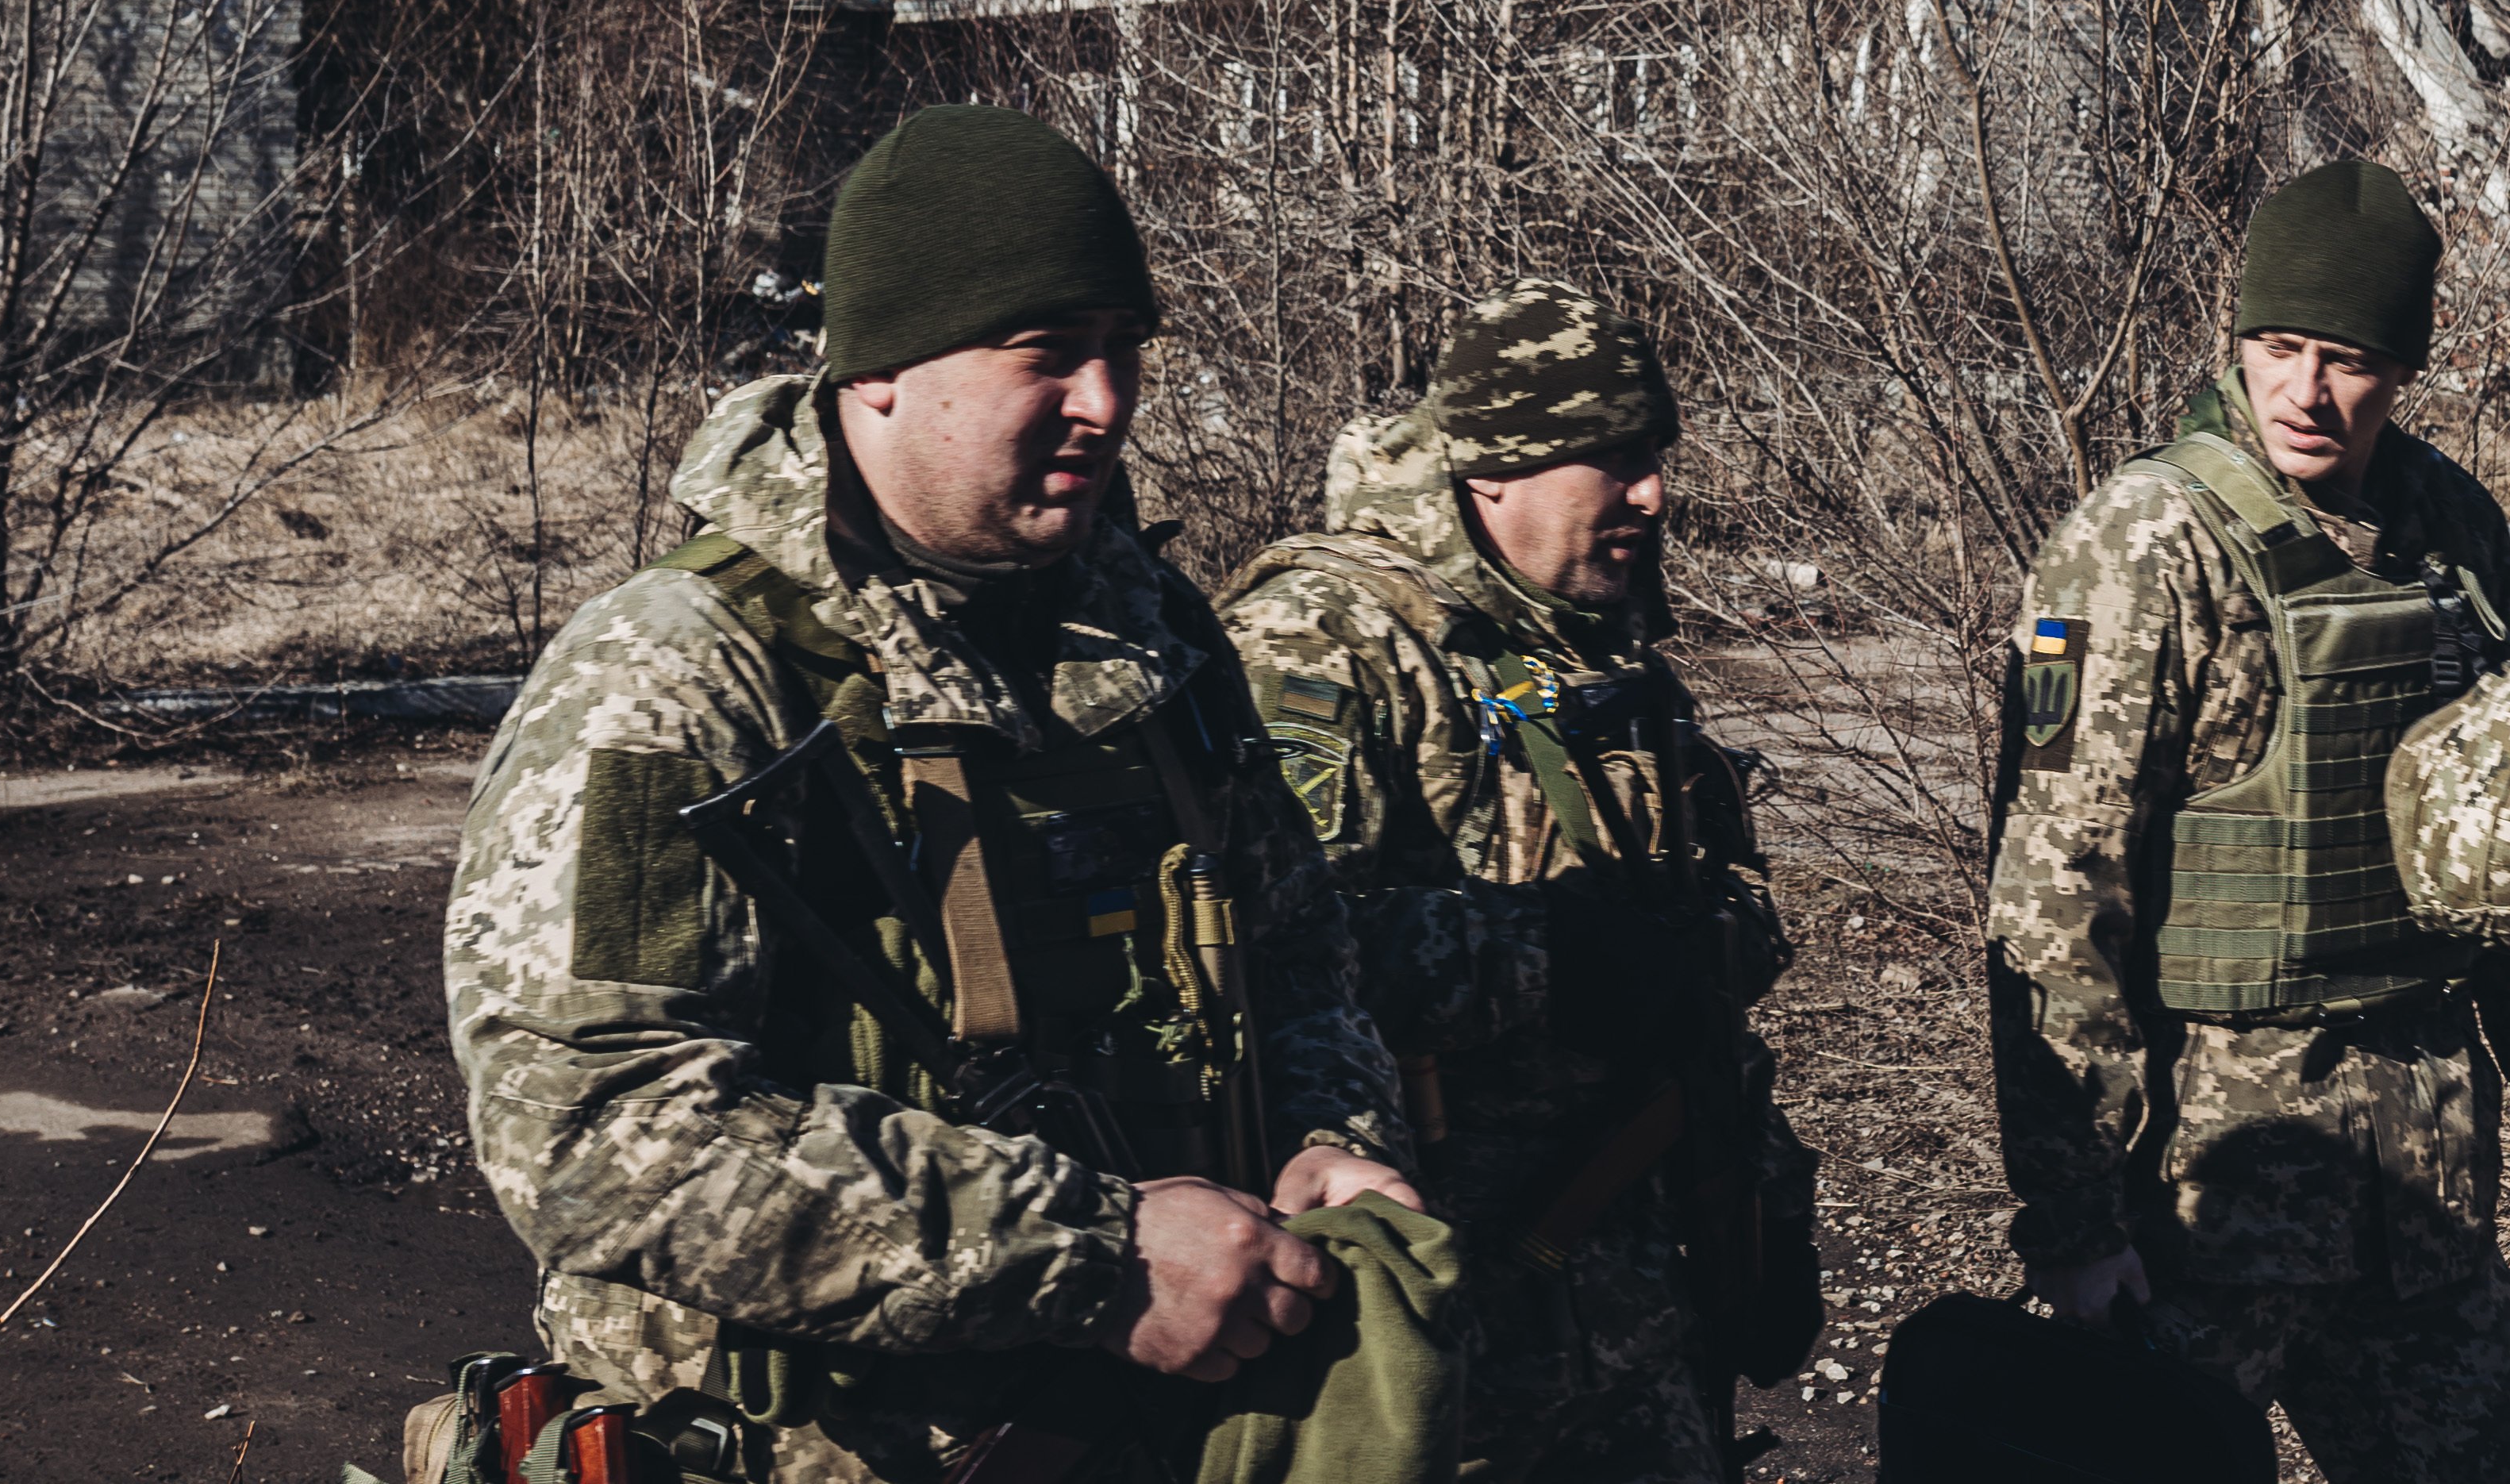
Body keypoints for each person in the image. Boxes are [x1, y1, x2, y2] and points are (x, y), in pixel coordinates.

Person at [445, 103, 1422, 1484]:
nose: (1108, 402)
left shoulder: (1151, 639)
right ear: (883, 369)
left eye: (1123, 352)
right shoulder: (680, 673)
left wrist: (1337, 1139)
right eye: (1049, 355)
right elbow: (595, 1133)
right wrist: (1095, 1257)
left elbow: (1303, 957)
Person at [1983, 159, 2510, 1484]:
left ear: (2408, 364)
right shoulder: (2140, 544)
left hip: (2421, 1181)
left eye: (2349, 359)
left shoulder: (2455, 533)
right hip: (2204, 1203)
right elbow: (2054, 897)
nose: (2306, 394)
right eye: (2277, 347)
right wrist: (2074, 1215)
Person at [1220, 280, 1822, 1484]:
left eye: (1655, 454)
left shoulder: (1590, 634)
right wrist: (1549, 959)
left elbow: (1725, 894)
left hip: (1644, 1298)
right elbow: (1272, 958)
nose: (1652, 492)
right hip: (1470, 1325)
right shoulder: (1324, 641)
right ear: (1491, 471)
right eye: (1610, 459)